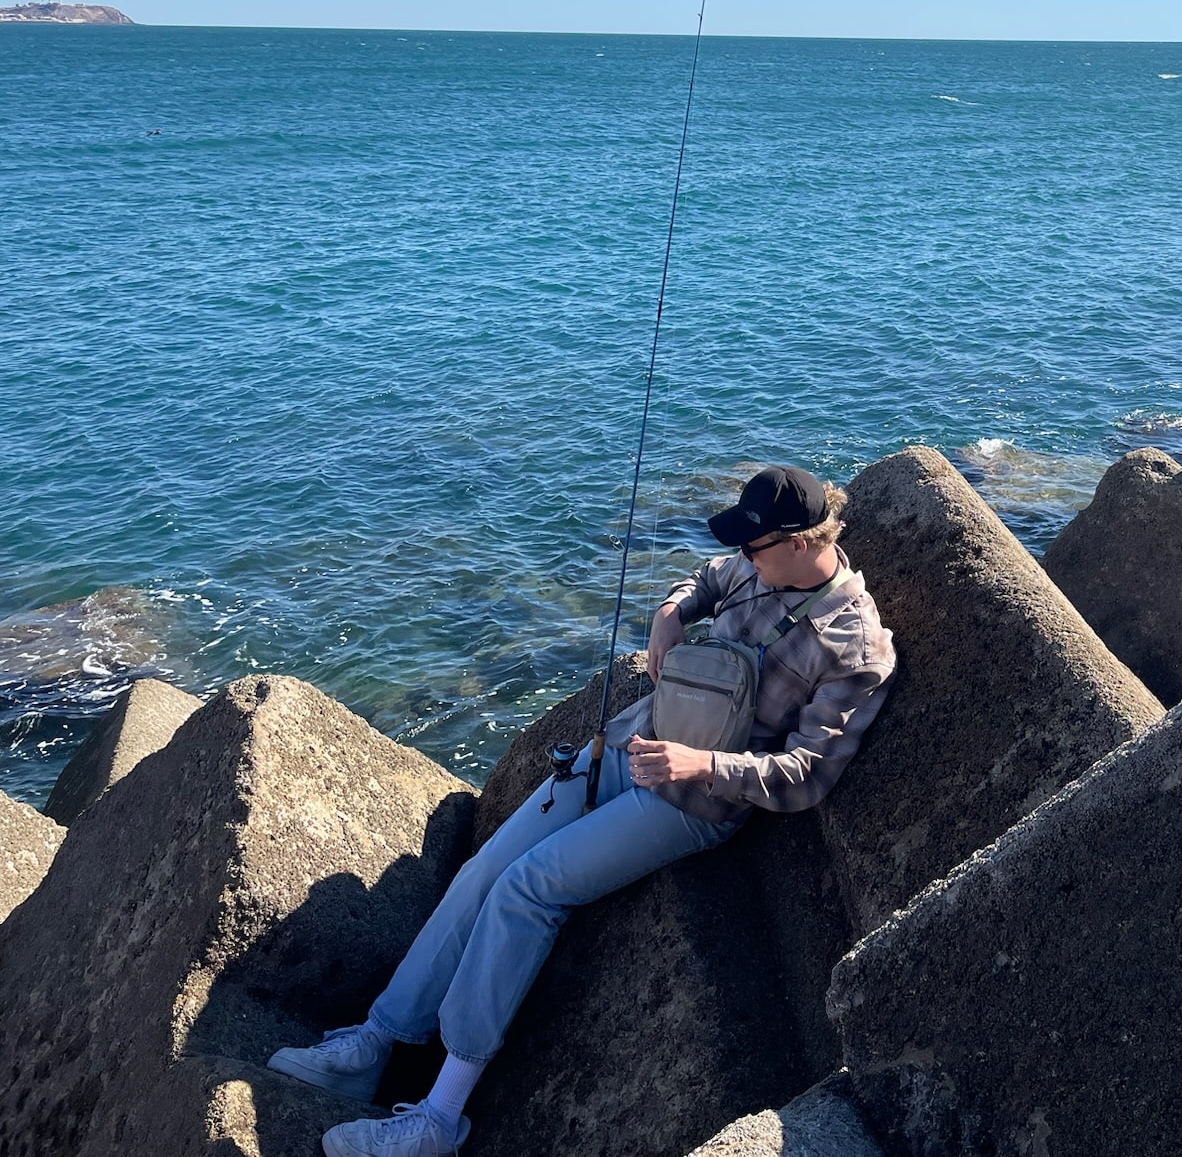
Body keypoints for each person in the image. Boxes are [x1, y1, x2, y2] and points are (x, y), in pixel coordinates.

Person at [268, 464, 896, 1157]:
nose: (743, 558)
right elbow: (703, 580)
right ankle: (377, 1040)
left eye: (755, 547)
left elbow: (807, 775)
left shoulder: (855, 646)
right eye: (743, 548)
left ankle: (439, 1117)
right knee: (485, 870)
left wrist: (703, 766)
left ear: (805, 540)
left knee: (526, 890)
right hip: (631, 740)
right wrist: (670, 613)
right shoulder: (755, 568)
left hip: (691, 798)